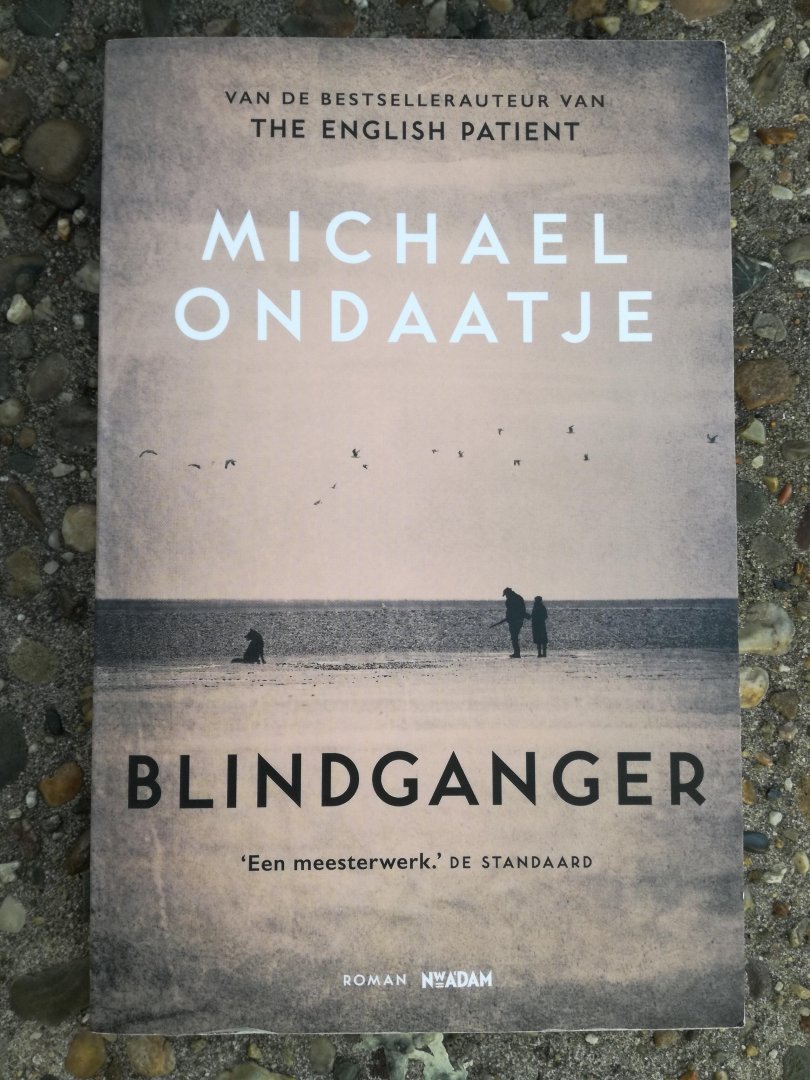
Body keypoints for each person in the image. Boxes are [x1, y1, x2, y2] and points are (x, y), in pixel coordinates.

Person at [490, 587, 528, 658]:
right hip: (519, 620)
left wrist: (510, 617)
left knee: (514, 637)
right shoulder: (519, 597)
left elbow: (511, 611)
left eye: (506, 595)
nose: (506, 596)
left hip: (514, 621)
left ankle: (517, 653)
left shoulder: (510, 600)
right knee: (514, 637)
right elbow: (522, 609)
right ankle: (516, 653)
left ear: (508, 593)